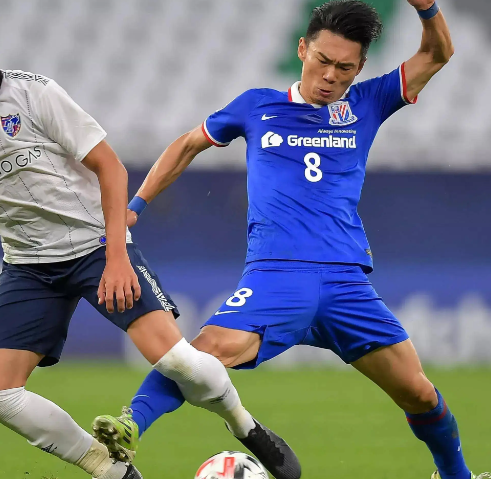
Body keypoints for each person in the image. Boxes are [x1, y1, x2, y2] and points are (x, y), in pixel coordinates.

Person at [0, 5, 302, 479]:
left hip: (94, 246)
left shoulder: (35, 95)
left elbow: (111, 167)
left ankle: (245, 426)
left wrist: (117, 255)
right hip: (27, 264)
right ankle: (109, 469)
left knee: (177, 361)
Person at [93, 1, 489, 479]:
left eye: (345, 68)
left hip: (347, 285)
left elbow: (438, 53)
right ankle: (131, 424)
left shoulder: (369, 102)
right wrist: (136, 206)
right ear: (302, 49)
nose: (331, 76)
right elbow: (187, 143)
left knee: (421, 394)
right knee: (201, 354)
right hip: (277, 277)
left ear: (360, 67)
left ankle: (457, 476)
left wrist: (426, 7)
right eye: (323, 60)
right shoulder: (256, 105)